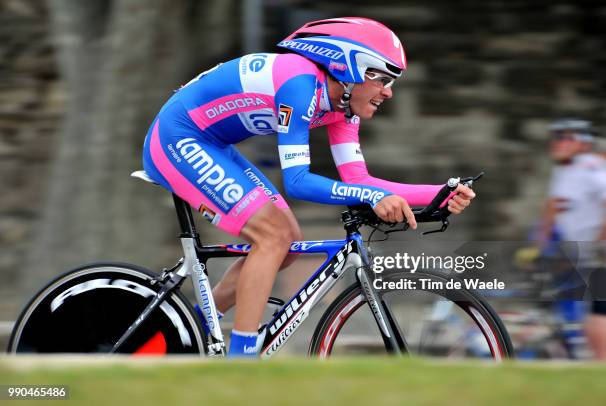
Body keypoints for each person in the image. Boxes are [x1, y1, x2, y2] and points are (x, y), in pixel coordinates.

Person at [141, 17, 476, 357]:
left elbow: (359, 181)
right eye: (383, 78)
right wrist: (374, 198)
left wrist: (439, 194)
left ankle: (185, 329)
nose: (388, 91)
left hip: (212, 143)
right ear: (351, 68)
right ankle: (240, 360)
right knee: (271, 236)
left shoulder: (344, 108)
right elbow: (298, 181)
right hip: (178, 138)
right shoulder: (299, 86)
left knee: (287, 243)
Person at [538, 118, 606, 361]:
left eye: (565, 137)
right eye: (556, 136)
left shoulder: (593, 166)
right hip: (582, 253)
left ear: (584, 143)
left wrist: (600, 242)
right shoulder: (564, 170)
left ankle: (605, 368)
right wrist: (542, 240)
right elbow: (554, 206)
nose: (557, 142)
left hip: (603, 252)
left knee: (602, 313)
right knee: (590, 315)